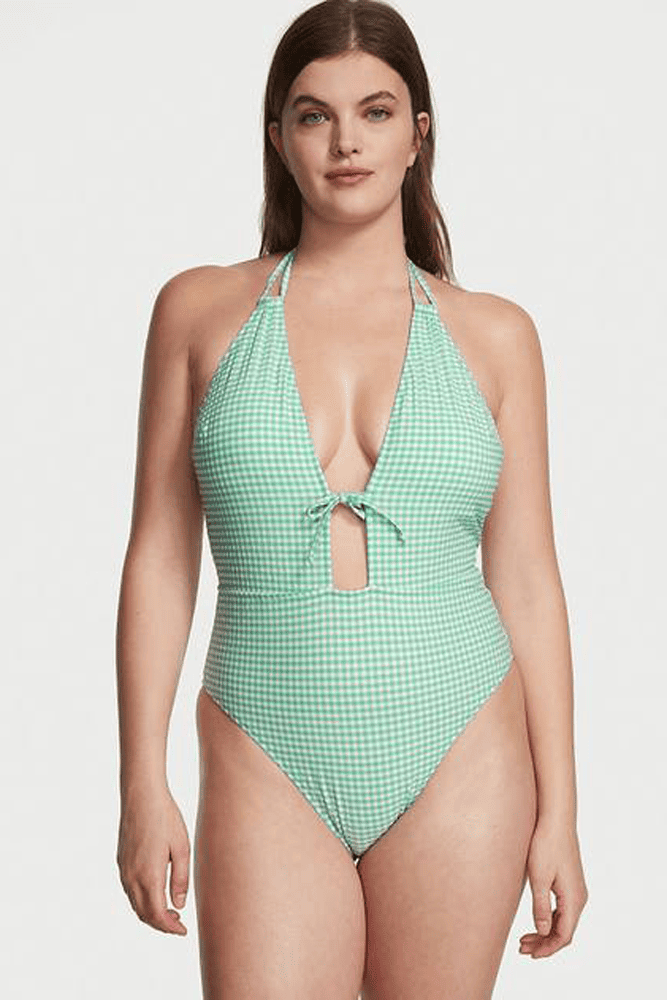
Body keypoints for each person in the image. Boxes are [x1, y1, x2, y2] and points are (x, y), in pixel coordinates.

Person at [115, 1, 588, 997]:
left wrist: (562, 813)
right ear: (276, 137)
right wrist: (140, 781)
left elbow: (527, 577)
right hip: (263, 743)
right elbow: (159, 555)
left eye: (374, 112)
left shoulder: (497, 336)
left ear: (418, 135)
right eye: (313, 115)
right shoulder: (198, 311)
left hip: (461, 739)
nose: (345, 143)